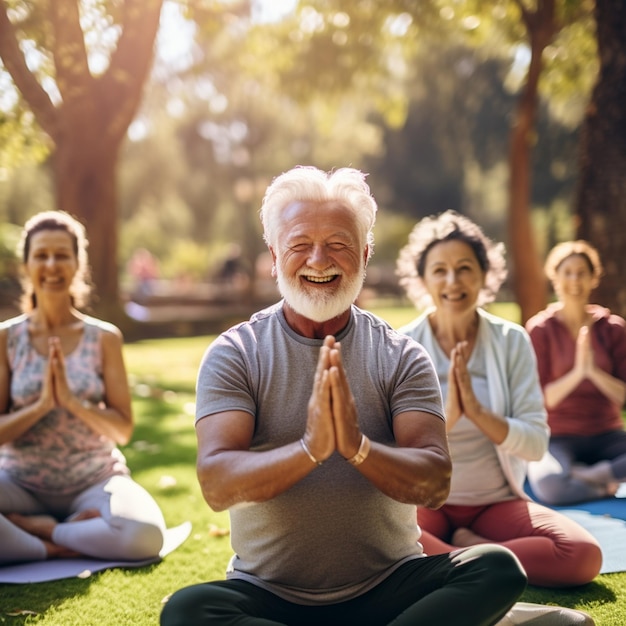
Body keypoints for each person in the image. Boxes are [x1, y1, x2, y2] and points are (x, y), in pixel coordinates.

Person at [160, 166, 528, 626]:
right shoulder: (236, 352)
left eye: (338, 244)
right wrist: (310, 450)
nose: (319, 260)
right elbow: (217, 484)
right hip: (270, 596)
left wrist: (358, 447)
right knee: (188, 612)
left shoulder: (400, 355)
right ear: (274, 256)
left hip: (392, 586)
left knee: (495, 569)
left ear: (365, 254)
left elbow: (434, 482)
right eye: (299, 245)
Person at [396, 211, 602, 589]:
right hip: (425, 505)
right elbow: (392, 450)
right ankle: (485, 560)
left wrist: (477, 412)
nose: (453, 281)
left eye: (464, 268)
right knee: (383, 540)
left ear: (484, 275)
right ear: (423, 280)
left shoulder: (511, 341)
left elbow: (537, 442)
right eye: (439, 270)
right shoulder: (401, 347)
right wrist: (450, 418)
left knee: (583, 555)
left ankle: (466, 555)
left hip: (494, 502)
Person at [0, 211, 166, 564]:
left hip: (95, 480)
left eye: (62, 255)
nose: (51, 264)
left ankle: (44, 531)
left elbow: (122, 429)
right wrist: (42, 405)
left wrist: (74, 404)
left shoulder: (104, 338)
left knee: (146, 536)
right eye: (41, 255)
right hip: (18, 484)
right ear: (26, 265)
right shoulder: (6, 339)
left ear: (78, 263)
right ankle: (51, 546)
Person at [526, 240, 626, 505]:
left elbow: (622, 396)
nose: (575, 279)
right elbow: (545, 398)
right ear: (555, 278)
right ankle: (604, 484)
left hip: (607, 434)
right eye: (567, 272)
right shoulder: (540, 330)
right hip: (558, 436)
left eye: (582, 272)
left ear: (594, 278)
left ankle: (590, 475)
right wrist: (579, 372)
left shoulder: (613, 329)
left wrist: (593, 371)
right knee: (550, 486)